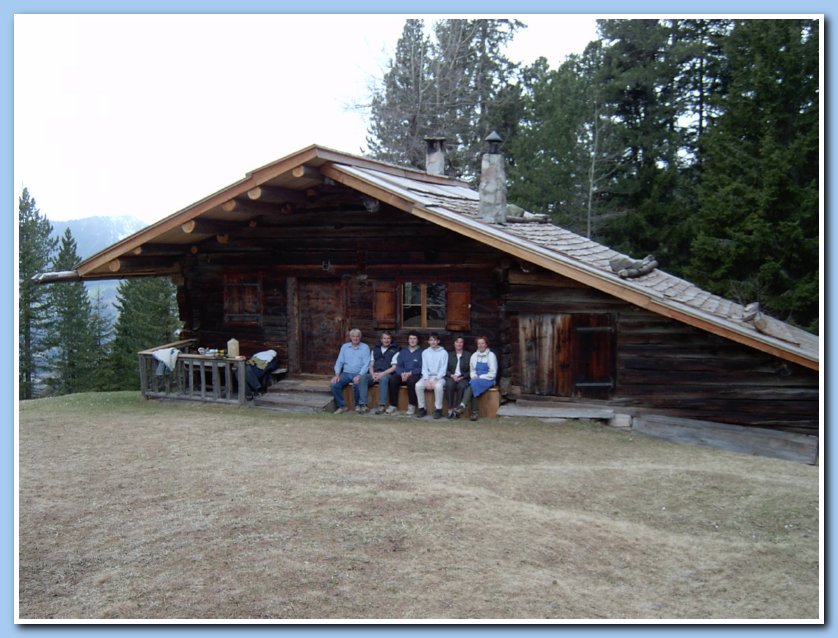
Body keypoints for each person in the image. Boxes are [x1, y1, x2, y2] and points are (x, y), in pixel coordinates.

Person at [455, 336, 498, 421]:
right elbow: (472, 370)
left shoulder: (491, 356)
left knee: (473, 385)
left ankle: (463, 406)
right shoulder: (474, 356)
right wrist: (474, 376)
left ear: (486, 344)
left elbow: (493, 373)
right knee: (474, 385)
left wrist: (480, 377)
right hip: (476, 379)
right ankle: (474, 413)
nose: (481, 345)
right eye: (479, 343)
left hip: (488, 379)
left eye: (482, 343)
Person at [330, 328, 371, 414]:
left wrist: (359, 375)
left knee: (357, 383)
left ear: (360, 337)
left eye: (357, 336)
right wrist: (337, 374)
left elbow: (366, 364)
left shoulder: (365, 347)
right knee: (334, 384)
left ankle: (357, 406)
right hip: (346, 373)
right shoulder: (345, 347)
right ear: (350, 337)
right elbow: (339, 361)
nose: (355, 338)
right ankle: (342, 406)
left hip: (358, 373)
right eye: (353, 336)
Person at [388, 331, 423, 416]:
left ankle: (412, 405)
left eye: (414, 339)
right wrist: (402, 373)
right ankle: (393, 405)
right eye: (410, 338)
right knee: (393, 379)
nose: (412, 340)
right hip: (403, 374)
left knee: (411, 381)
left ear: (417, 340)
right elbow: (399, 365)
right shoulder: (403, 351)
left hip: (415, 374)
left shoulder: (421, 352)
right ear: (408, 340)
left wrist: (410, 373)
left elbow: (421, 367)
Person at [366, 331, 400, 415]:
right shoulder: (375, 349)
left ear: (391, 339)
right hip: (375, 373)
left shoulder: (395, 350)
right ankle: (363, 404)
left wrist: (382, 374)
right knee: (363, 378)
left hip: (387, 373)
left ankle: (381, 405)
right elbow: (371, 364)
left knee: (384, 379)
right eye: (384, 338)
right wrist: (372, 373)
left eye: (388, 338)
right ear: (381, 339)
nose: (386, 340)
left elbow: (394, 367)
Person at [415, 333, 447, 419]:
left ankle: (438, 409)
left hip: (439, 377)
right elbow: (424, 367)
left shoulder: (444, 353)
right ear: (428, 341)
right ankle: (422, 408)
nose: (433, 342)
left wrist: (436, 379)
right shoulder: (425, 352)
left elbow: (443, 368)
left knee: (438, 386)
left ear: (438, 341)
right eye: (431, 340)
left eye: (435, 340)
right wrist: (426, 379)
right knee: (418, 385)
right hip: (427, 376)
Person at [444, 336, 472, 419]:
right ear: (454, 344)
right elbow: (444, 368)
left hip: (463, 377)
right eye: (457, 342)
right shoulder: (449, 355)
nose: (459, 344)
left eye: (461, 342)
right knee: (449, 385)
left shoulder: (468, 355)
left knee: (462, 386)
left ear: (463, 344)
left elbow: (471, 370)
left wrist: (462, 377)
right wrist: (451, 375)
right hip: (451, 376)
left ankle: (457, 409)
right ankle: (450, 409)